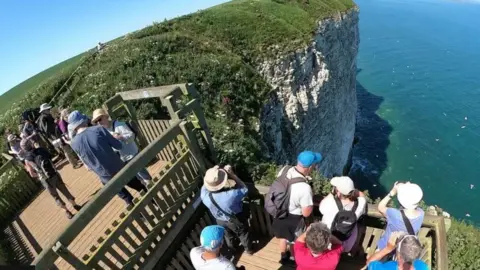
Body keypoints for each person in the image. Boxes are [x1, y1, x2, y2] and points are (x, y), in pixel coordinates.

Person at [68, 110, 146, 206]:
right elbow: (118, 146)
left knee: (127, 198)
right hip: (119, 169)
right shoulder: (98, 129)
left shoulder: (73, 143)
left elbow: (87, 164)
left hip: (105, 177)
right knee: (140, 187)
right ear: (84, 120)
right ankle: (157, 204)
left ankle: (141, 218)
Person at [272, 151, 320, 263]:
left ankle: (283, 256)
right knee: (294, 241)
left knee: (282, 237)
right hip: (294, 219)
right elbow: (306, 213)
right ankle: (294, 258)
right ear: (310, 166)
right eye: (314, 165)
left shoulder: (284, 170)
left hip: (279, 212)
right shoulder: (304, 188)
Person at [21, 139, 81, 219]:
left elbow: (32, 174)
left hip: (46, 180)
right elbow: (50, 160)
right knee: (64, 189)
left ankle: (67, 211)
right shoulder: (41, 150)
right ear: (31, 144)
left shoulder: (27, 160)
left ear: (24, 148)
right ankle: (75, 205)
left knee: (55, 196)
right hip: (54, 173)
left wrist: (39, 175)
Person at [200, 165, 253, 254]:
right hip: (234, 220)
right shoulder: (230, 195)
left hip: (219, 220)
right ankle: (249, 250)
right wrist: (232, 174)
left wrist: (213, 172)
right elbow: (244, 189)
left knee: (228, 235)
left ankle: (233, 250)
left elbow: (206, 185)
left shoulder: (204, 195)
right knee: (243, 234)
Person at [91, 108, 152, 184]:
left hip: (132, 154)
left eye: (99, 119)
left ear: (105, 117)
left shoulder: (118, 124)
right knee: (138, 177)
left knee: (143, 175)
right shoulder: (103, 131)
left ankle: (153, 187)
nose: (99, 123)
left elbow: (131, 136)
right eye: (96, 122)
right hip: (122, 159)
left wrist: (121, 137)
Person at [319, 176, 367, 252]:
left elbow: (321, 208)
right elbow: (362, 195)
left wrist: (332, 193)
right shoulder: (361, 203)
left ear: (338, 192)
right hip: (347, 242)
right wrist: (353, 191)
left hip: (329, 241)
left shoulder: (329, 203)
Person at [377, 182, 425, 250]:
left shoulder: (394, 214)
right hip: (402, 249)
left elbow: (380, 207)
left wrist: (392, 192)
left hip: (386, 246)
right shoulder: (421, 213)